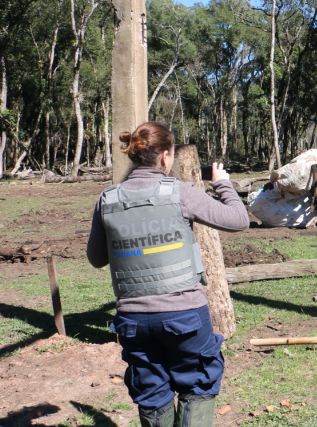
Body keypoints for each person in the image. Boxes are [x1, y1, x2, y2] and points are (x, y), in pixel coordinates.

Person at [87, 122, 249, 427]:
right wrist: (222, 184)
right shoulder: (181, 193)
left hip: (133, 320)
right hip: (184, 315)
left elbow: (96, 259)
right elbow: (239, 219)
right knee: (198, 382)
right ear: (165, 156)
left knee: (151, 390)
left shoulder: (107, 199)